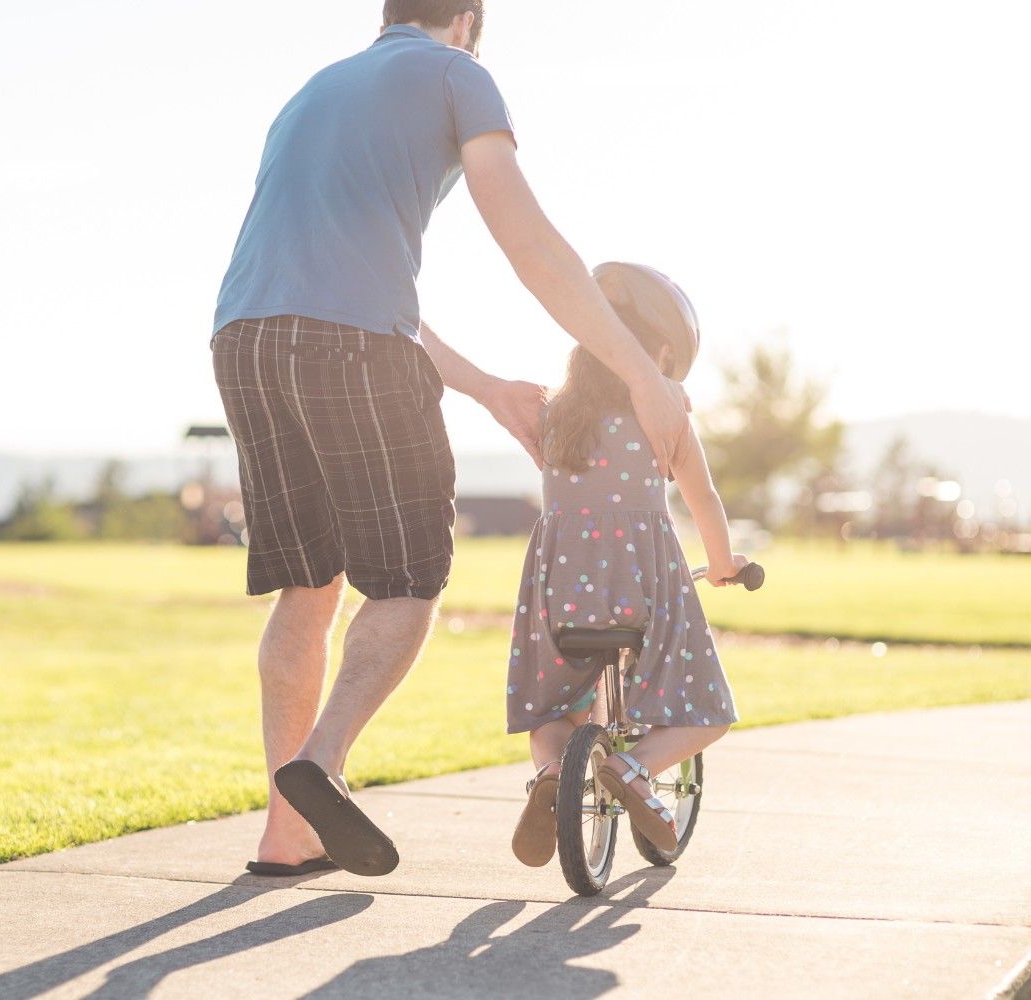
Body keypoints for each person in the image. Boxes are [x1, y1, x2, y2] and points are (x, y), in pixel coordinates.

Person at [210, 2, 691, 878]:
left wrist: (483, 387)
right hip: (349, 344)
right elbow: (532, 245)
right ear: (468, 19)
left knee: (308, 586)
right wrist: (642, 374)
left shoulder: (314, 91)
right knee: (408, 582)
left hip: (243, 339)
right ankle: (319, 763)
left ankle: (287, 833)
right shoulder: (455, 74)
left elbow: (342, 285)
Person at [507, 263, 745, 865]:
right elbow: (704, 500)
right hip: (641, 593)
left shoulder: (552, 417)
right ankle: (632, 768)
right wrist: (723, 564)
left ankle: (550, 777)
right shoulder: (664, 418)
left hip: (561, 596)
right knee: (707, 709)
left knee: (553, 710)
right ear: (663, 354)